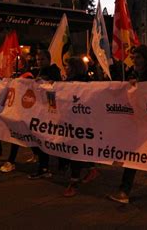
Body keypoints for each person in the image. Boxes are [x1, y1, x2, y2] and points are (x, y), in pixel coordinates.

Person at [108, 45, 147, 204]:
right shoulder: (133, 73)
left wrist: (140, 86)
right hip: (136, 121)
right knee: (133, 154)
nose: (135, 60)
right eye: (133, 57)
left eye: (139, 57)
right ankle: (124, 191)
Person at [62, 57, 100, 197]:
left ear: (74, 68)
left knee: (76, 151)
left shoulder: (84, 82)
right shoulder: (68, 82)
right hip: (73, 121)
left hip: (81, 123)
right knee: (80, 149)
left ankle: (74, 182)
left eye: (67, 66)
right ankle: (91, 169)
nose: (65, 68)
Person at [28, 49, 62, 179]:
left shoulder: (53, 71)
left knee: (45, 139)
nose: (39, 62)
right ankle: (53, 164)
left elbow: (57, 88)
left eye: (42, 59)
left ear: (49, 59)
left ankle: (44, 167)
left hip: (50, 111)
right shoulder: (40, 72)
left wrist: (45, 82)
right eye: (38, 59)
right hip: (41, 110)